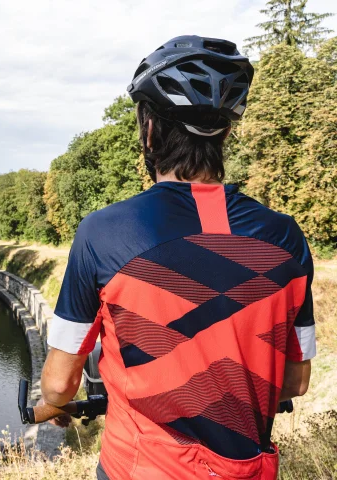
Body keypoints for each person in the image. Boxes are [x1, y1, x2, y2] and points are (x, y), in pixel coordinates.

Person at [39, 36, 315, 480]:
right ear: (225, 132)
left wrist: (54, 405)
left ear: (149, 131)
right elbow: (293, 382)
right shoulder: (286, 238)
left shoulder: (103, 233)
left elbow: (57, 384)